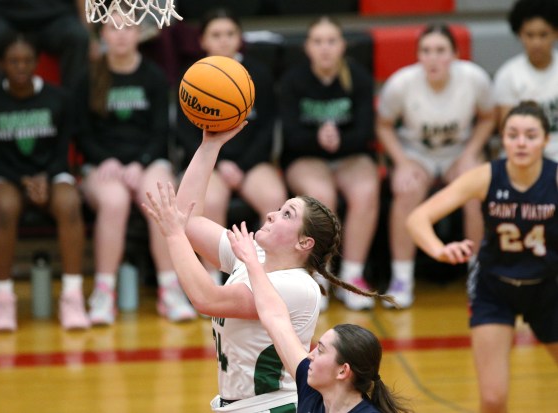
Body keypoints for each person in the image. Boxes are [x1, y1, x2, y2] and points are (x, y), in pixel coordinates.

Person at [141, 123, 386, 412]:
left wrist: (173, 235)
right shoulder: (254, 254)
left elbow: (206, 299)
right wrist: (209, 147)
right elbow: (189, 220)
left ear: (304, 243)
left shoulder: (298, 286)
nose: (271, 215)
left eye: (286, 214)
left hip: (272, 407)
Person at [406, 101, 558, 413]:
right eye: (513, 134)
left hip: (549, 288)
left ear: (546, 140)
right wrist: (439, 250)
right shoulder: (487, 176)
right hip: (494, 287)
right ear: (502, 139)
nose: (521, 142)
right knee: (492, 399)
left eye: (530, 135)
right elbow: (417, 219)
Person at [75, 19, 196, 324]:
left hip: (147, 160)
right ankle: (104, 293)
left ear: (139, 34)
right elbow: (82, 133)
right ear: (102, 34)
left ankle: (170, 290)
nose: (120, 34)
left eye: (128, 27)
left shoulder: (154, 76)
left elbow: (160, 133)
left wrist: (139, 162)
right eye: (113, 28)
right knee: (114, 201)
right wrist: (107, 160)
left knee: (159, 197)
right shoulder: (89, 76)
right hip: (102, 164)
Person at [225, 222, 411, 413]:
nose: (309, 355)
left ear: (343, 371)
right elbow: (275, 318)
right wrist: (251, 262)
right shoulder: (312, 389)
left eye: (320, 351)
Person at [376, 23, 496, 308]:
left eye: (440, 50)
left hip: (458, 152)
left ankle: (477, 275)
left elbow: (489, 117)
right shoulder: (401, 83)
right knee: (407, 189)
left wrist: (470, 154)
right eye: (426, 51)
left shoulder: (474, 79)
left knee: (475, 190)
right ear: (418, 56)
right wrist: (402, 163)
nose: (433, 58)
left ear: (454, 54)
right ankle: (401, 278)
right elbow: (383, 125)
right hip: (417, 153)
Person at [0, 34, 88, 331]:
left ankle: (72, 296)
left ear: (37, 63)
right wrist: (24, 182)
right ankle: (2, 299)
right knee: (6, 207)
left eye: (27, 60)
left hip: (50, 172)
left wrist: (45, 179)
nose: (21, 67)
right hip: (6, 175)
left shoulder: (59, 99)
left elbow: (64, 150)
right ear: (1, 64)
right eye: (13, 61)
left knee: (70, 203)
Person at [174, 7, 287, 285]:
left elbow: (267, 128)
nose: (223, 40)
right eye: (216, 34)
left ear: (239, 38)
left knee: (274, 198)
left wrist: (244, 166)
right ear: (203, 41)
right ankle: (212, 280)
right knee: (210, 201)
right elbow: (185, 133)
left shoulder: (258, 73)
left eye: (229, 34)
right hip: (213, 163)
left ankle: (268, 277)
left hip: (251, 162)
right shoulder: (193, 78)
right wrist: (219, 163)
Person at [279, 16, 381, 312]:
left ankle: (352, 274)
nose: (325, 48)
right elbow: (291, 135)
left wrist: (339, 141)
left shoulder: (358, 77)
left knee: (366, 191)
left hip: (350, 155)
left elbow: (365, 132)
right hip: (306, 156)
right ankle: (320, 275)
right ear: (307, 48)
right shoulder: (293, 80)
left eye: (331, 41)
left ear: (342, 46)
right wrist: (318, 139)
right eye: (318, 41)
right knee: (322, 197)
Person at [0, 0, 91, 91]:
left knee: (77, 36)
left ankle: (74, 112)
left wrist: (91, 36)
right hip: (3, 16)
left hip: (55, 17)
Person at [493, 0, 558, 161]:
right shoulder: (507, 75)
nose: (536, 42)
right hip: (525, 154)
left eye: (543, 34)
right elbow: (509, 132)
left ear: (555, 33)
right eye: (530, 35)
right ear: (520, 35)